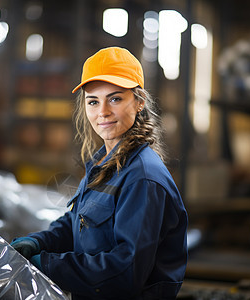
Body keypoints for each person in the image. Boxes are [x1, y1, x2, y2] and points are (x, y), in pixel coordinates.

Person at [11, 46, 188, 300]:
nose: (102, 112)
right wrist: (38, 242)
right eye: (93, 101)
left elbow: (124, 271)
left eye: (115, 99)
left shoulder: (143, 178)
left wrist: (47, 265)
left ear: (139, 102)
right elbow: (78, 224)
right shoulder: (104, 163)